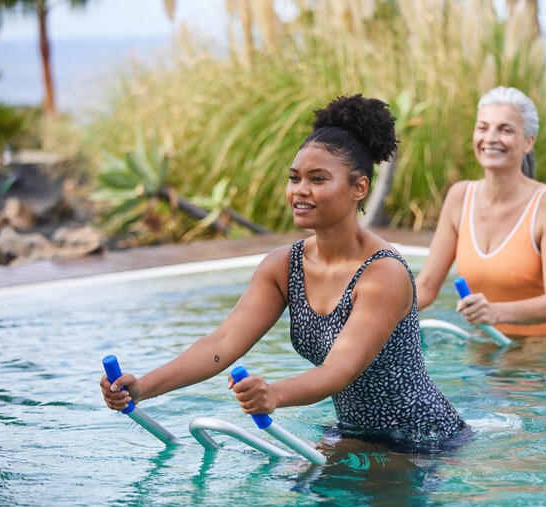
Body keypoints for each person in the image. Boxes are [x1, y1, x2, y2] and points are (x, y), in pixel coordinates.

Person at [101, 94, 465, 451]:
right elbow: (222, 343)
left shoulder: (384, 273)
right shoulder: (283, 266)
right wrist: (143, 387)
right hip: (354, 433)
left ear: (359, 187)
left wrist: (274, 394)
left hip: (422, 439)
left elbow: (340, 370)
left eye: (318, 179)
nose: (300, 191)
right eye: (295, 178)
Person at [416, 86, 546, 338]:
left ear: (528, 142)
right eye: (483, 127)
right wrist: (367, 315)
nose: (490, 137)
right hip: (484, 347)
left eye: (505, 130)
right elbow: (425, 287)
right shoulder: (460, 196)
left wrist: (495, 312)